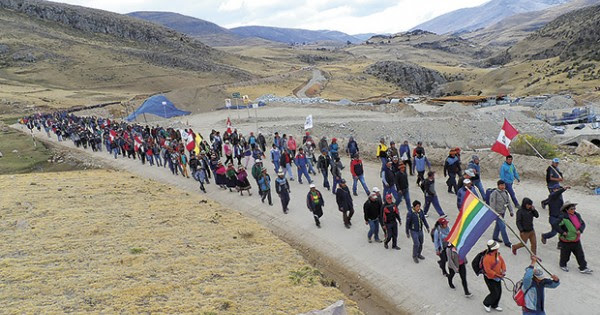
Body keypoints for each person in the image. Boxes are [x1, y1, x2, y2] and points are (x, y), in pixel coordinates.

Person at [553, 202, 593, 273]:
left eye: (574, 208)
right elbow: (555, 225)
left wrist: (580, 230)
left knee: (580, 254)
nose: (574, 210)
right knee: (565, 255)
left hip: (576, 239)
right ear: (567, 210)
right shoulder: (563, 217)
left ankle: (583, 267)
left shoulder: (577, 215)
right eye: (572, 209)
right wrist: (562, 232)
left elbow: (582, 224)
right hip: (566, 240)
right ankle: (563, 265)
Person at [482, 240, 506, 313]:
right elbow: (488, 270)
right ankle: (486, 303)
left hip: (498, 277)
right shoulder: (486, 258)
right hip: (490, 278)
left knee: (499, 292)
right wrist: (497, 275)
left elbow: (502, 262)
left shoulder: (497, 254)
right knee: (494, 293)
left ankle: (495, 305)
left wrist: (504, 270)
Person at [490, 180, 514, 248]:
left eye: (504, 185)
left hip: (503, 212)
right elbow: (492, 204)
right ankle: (507, 242)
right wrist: (494, 213)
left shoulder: (506, 192)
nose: (503, 186)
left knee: (498, 225)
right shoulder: (494, 193)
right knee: (503, 227)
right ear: (498, 186)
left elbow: (508, 202)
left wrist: (511, 211)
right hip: (497, 213)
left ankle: (495, 237)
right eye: (501, 185)